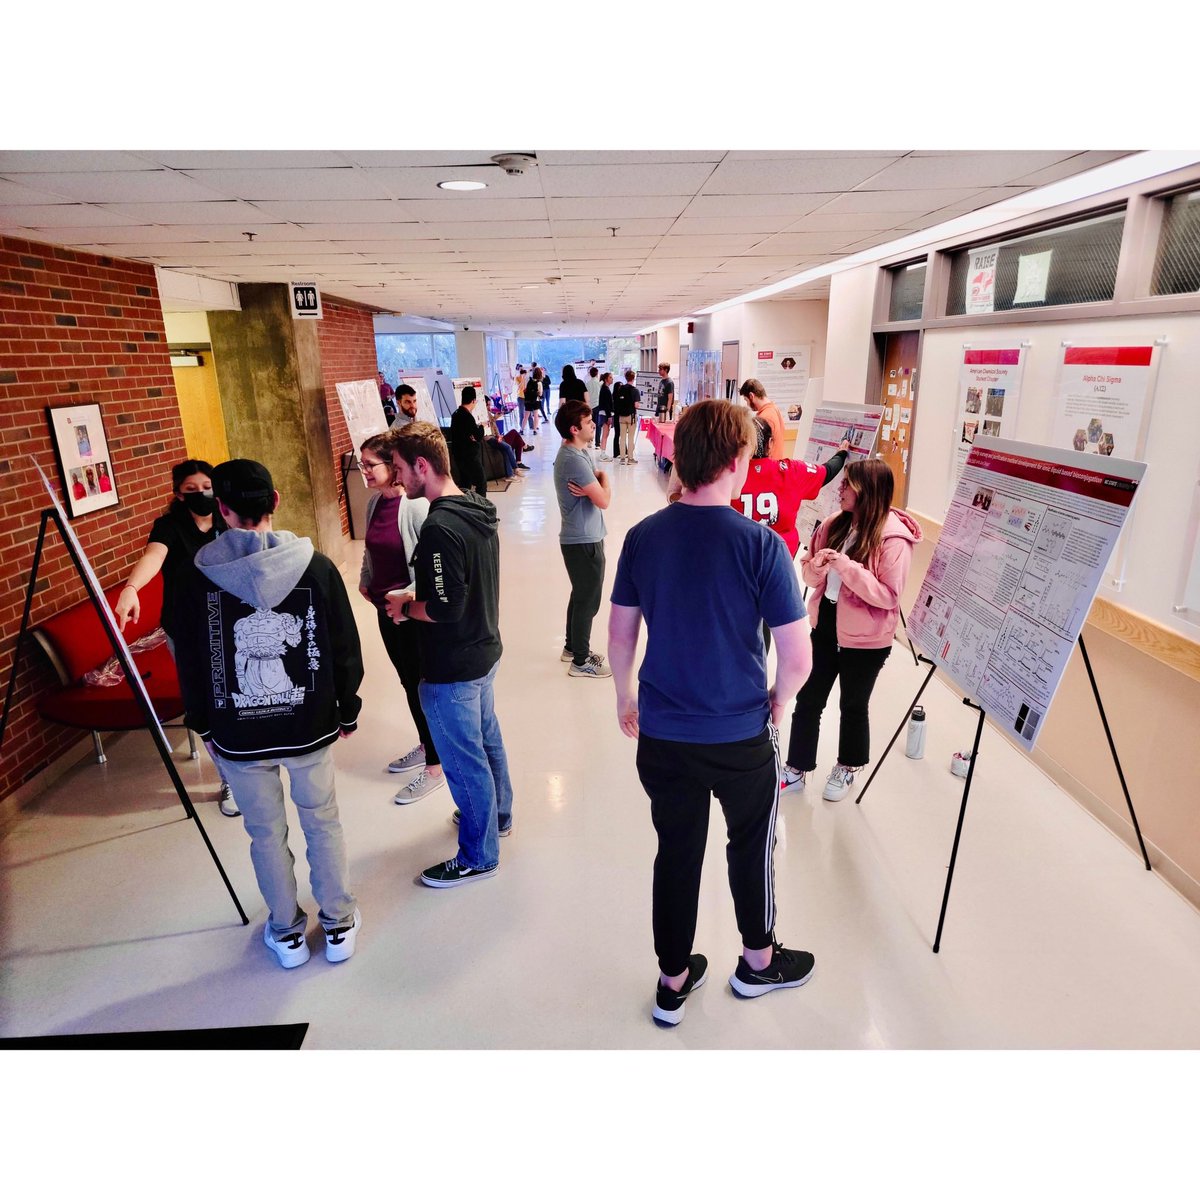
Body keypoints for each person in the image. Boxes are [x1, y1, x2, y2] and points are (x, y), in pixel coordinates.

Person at [608, 400, 816, 1028]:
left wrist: (625, 696)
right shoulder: (761, 547)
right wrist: (780, 700)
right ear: (736, 463)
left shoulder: (644, 536)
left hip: (664, 735)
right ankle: (757, 962)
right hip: (740, 735)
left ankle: (672, 981)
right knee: (751, 846)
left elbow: (620, 637)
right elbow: (797, 655)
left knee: (676, 851)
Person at [173, 459, 364, 969]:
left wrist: (204, 722)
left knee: (265, 833)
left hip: (238, 731)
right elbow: (344, 645)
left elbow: (189, 657)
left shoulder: (198, 578)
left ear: (222, 510)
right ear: (276, 501)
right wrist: (348, 709)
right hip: (310, 724)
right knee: (322, 822)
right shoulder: (315, 566)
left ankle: (287, 933)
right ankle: (339, 922)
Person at [384, 422, 514, 888]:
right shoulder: (477, 508)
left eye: (399, 469)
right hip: (484, 651)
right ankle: (497, 816)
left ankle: (478, 856)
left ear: (423, 465)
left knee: (464, 761)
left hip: (453, 665)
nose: (397, 479)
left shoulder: (439, 526)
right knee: (487, 740)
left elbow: (444, 607)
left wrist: (404, 605)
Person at [781, 459, 922, 802]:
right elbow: (809, 574)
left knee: (853, 704)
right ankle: (796, 767)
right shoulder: (834, 524)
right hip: (826, 624)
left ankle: (847, 766)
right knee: (809, 699)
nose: (840, 490)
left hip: (867, 638)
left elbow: (888, 596)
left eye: (848, 485)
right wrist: (815, 568)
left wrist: (847, 568)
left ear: (868, 492)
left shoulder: (893, 540)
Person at [115, 459, 238, 817]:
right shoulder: (170, 526)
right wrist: (131, 588)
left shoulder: (227, 519)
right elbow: (154, 555)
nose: (202, 495)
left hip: (229, 623)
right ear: (178, 495)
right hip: (186, 628)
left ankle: (247, 761)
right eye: (191, 490)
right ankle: (227, 775)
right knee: (205, 702)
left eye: (207, 487)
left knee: (233, 697)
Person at [357, 431, 445, 805]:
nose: (364, 471)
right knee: (408, 683)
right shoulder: (375, 503)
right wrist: (365, 582)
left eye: (370, 465)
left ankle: (436, 767)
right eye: (361, 465)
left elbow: (429, 568)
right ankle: (427, 746)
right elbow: (370, 551)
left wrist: (406, 596)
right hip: (386, 613)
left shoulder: (415, 507)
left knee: (423, 686)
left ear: (393, 467)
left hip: (412, 615)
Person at [553, 399, 612, 679]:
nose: (593, 425)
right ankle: (581, 660)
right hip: (582, 540)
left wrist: (597, 480)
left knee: (581, 596)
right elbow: (603, 501)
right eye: (589, 423)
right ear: (575, 429)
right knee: (588, 600)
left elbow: (597, 476)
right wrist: (602, 485)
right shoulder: (574, 460)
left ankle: (571, 647)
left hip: (585, 536)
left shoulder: (580, 452)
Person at [449, 384, 487, 498]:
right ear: (474, 400)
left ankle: (465, 508)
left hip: (458, 455)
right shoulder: (467, 416)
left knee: (465, 483)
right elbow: (477, 436)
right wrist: (481, 427)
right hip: (470, 456)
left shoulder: (455, 414)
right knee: (481, 482)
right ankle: (482, 509)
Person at [738, 378, 785, 460]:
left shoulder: (764, 418)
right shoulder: (774, 409)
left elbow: (758, 451)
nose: (747, 404)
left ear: (751, 396)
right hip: (776, 465)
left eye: (746, 400)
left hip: (768, 468)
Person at [613, 368, 640, 464]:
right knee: (631, 437)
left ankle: (622, 458)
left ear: (625, 377)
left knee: (622, 437)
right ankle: (630, 458)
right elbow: (636, 405)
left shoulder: (620, 389)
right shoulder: (635, 390)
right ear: (633, 378)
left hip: (621, 416)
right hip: (631, 416)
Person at [594, 371, 614, 460]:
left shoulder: (605, 388)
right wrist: (609, 416)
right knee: (605, 434)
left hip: (605, 413)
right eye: (610, 377)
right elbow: (606, 404)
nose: (612, 379)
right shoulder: (605, 389)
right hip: (605, 414)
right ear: (606, 379)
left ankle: (603, 452)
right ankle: (602, 454)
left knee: (606, 434)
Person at [522, 367, 544, 438]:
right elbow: (540, 394)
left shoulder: (529, 380)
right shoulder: (539, 383)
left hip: (528, 400)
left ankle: (522, 430)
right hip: (536, 400)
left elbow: (525, 389)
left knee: (526, 416)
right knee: (536, 415)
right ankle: (534, 430)